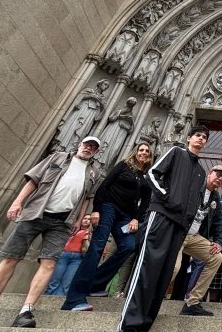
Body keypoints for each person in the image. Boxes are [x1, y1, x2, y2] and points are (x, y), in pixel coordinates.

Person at [0, 137, 102, 328]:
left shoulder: (94, 171)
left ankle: (26, 310)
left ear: (96, 152)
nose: (88, 148)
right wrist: (17, 202)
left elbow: (87, 197)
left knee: (49, 263)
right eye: (86, 144)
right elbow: (33, 180)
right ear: (79, 145)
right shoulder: (58, 157)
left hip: (62, 222)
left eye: (93, 147)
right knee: (10, 257)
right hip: (35, 213)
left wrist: (79, 219)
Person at [117, 125, 210, 332]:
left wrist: (188, 219)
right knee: (148, 267)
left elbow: (195, 201)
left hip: (180, 226)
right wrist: (167, 198)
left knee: (163, 274)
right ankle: (128, 325)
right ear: (188, 138)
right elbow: (152, 174)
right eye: (198, 135)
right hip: (161, 216)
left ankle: (144, 324)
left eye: (205, 137)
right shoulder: (176, 152)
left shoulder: (201, 172)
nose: (201, 139)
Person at [62, 143, 153, 311]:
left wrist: (136, 218)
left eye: (147, 151)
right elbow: (105, 185)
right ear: (135, 152)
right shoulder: (124, 165)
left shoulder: (147, 177)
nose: (144, 153)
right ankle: (73, 299)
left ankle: (96, 283)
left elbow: (146, 201)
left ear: (150, 156)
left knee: (128, 246)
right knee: (97, 246)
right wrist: (96, 210)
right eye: (141, 150)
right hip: (109, 207)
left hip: (126, 216)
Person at [169, 165, 222, 316]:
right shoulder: (194, 186)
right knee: (174, 268)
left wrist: (220, 243)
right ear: (210, 173)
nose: (220, 178)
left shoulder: (215, 198)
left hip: (194, 237)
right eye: (218, 174)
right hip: (179, 232)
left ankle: (192, 302)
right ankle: (151, 296)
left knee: (216, 257)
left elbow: (218, 223)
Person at [45, 214, 92, 296]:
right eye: (84, 218)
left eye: (89, 219)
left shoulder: (90, 233)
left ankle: (58, 302)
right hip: (64, 255)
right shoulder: (72, 229)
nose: (86, 220)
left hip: (78, 258)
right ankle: (47, 297)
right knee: (55, 279)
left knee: (67, 282)